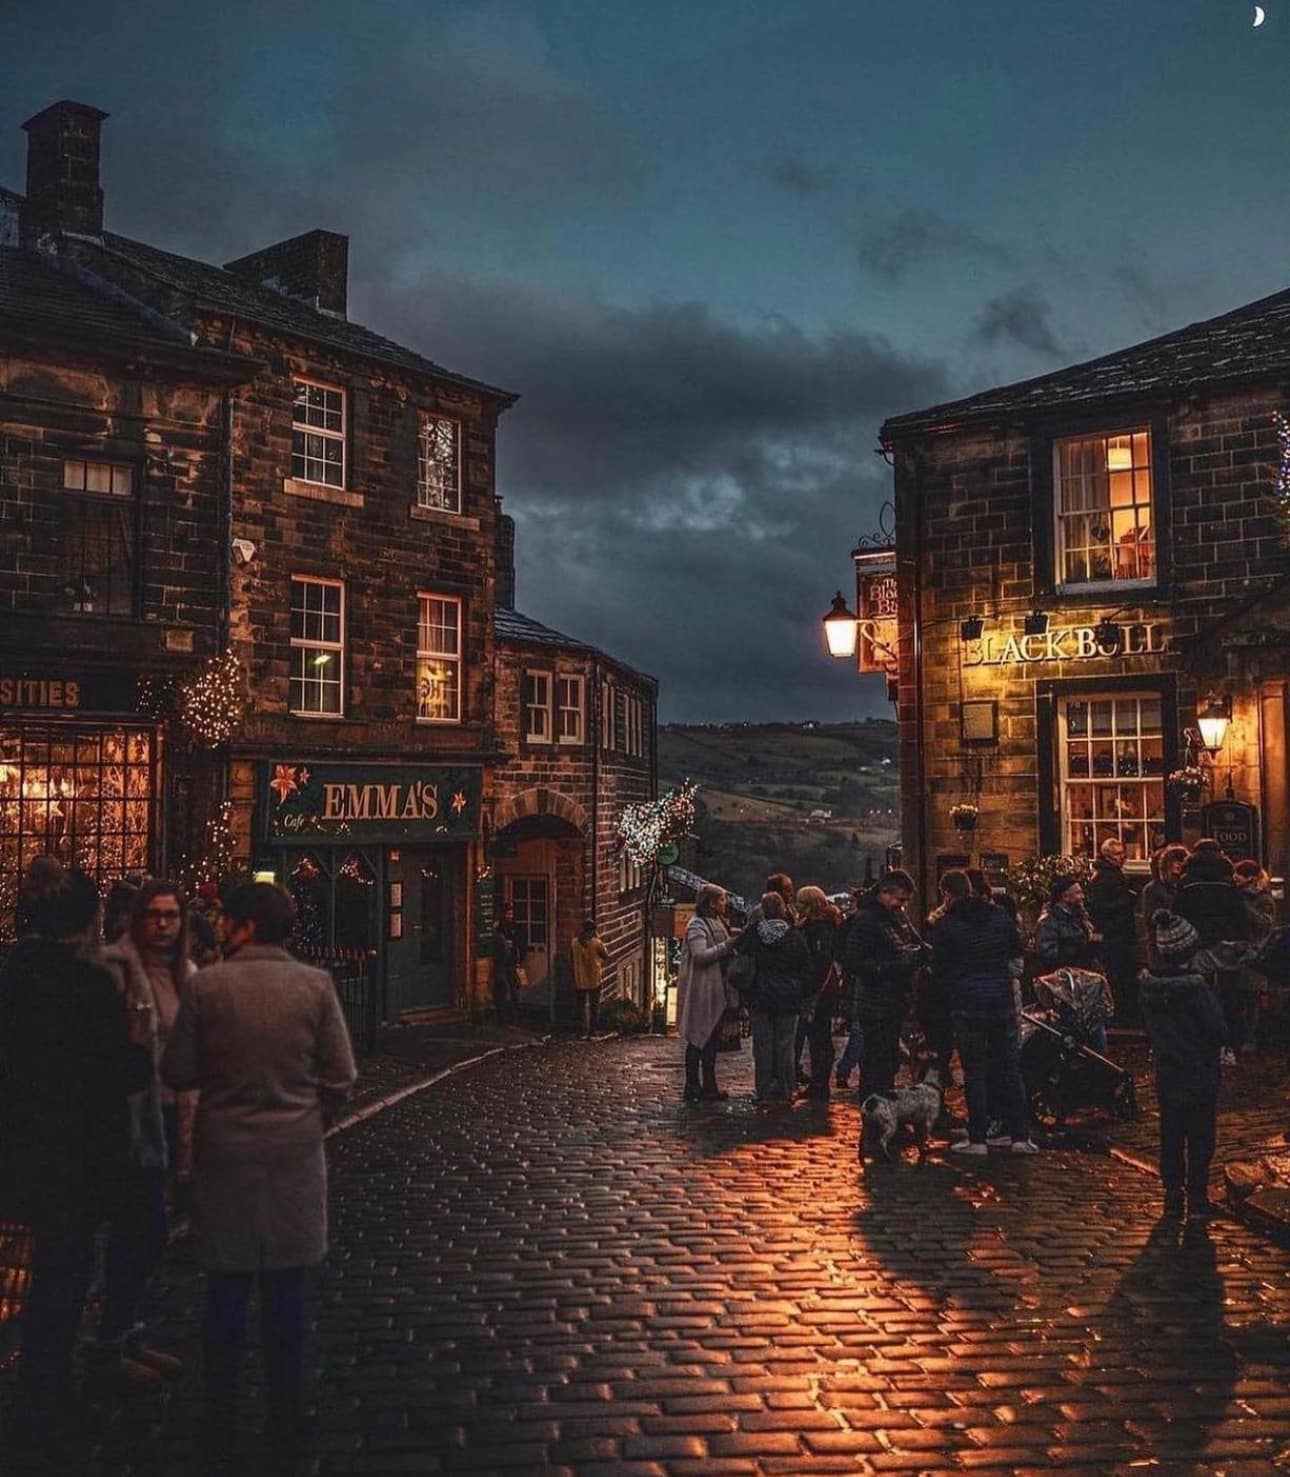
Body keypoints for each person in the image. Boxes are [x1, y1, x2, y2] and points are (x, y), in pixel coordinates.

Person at [162, 882, 357, 1458]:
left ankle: (220, 1408)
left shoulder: (206, 986)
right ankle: (287, 1407)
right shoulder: (315, 986)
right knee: (286, 1288)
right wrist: (308, 1119)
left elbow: (177, 1071)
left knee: (225, 1283)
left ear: (243, 925)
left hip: (225, 1151)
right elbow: (341, 1077)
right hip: (293, 1152)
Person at [0, 858, 149, 1460]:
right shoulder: (89, 986)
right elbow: (114, 1080)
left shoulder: (7, 978)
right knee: (60, 1283)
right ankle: (44, 1400)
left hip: (13, 1150)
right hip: (71, 1160)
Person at [97, 880, 198, 1389]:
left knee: (147, 1233)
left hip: (169, 1114)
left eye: (172, 916)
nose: (163, 925)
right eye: (155, 915)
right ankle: (109, 1343)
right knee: (141, 1231)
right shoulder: (115, 968)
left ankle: (127, 1333)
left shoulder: (187, 977)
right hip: (128, 1119)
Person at [930, 870, 1037, 1155]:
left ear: (947, 893)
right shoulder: (1000, 917)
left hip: (968, 1003)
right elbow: (1017, 952)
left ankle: (978, 1138)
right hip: (1001, 1000)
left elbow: (938, 968)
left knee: (975, 1070)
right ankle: (1019, 1136)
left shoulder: (947, 924)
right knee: (1009, 1068)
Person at [1139, 911, 1226, 1220]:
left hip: (1168, 1068)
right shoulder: (1196, 989)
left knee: (1171, 1131)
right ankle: (1198, 1195)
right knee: (1201, 1135)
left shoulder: (1151, 989)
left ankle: (1172, 1190)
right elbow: (1216, 1028)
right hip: (1199, 1069)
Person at [843, 870, 923, 1100]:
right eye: (900, 899)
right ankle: (874, 1115)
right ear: (884, 893)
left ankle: (887, 1113)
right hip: (875, 1002)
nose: (902, 905)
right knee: (875, 1062)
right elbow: (854, 961)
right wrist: (893, 964)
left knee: (888, 1061)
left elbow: (914, 943)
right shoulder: (866, 920)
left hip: (893, 999)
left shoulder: (896, 917)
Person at [1175, 839, 1251, 1067]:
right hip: (1226, 944)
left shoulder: (1186, 883)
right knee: (1230, 997)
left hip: (1198, 945)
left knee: (1200, 995)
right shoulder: (1229, 882)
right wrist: (1241, 940)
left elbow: (1179, 914)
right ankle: (1229, 1046)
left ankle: (1202, 1044)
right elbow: (1239, 915)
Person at [735, 892, 811, 1103]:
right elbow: (805, 967)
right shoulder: (794, 936)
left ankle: (763, 1092)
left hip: (759, 997)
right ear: (783, 910)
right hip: (787, 997)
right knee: (786, 1046)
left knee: (762, 1047)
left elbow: (741, 957)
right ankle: (787, 1091)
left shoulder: (753, 934)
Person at [677, 884, 739, 1103]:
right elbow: (701, 955)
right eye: (721, 900)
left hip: (716, 988)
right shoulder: (696, 925)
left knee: (711, 1041)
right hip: (702, 989)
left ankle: (709, 1085)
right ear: (711, 902)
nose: (725, 903)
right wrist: (728, 946)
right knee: (698, 1038)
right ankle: (692, 1085)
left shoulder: (717, 922)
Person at [795, 886, 842, 1101]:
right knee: (818, 1037)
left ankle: (820, 1084)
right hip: (824, 987)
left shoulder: (820, 928)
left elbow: (820, 961)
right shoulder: (822, 926)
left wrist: (809, 989)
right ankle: (818, 1082)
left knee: (819, 1037)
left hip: (820, 990)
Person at [1086, 838, 1140, 1020]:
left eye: (1122, 853)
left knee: (1123, 974)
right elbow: (1097, 907)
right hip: (1114, 935)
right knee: (1118, 976)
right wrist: (1125, 901)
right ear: (1108, 856)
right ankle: (1120, 1014)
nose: (1122, 857)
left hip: (1120, 934)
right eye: (1117, 854)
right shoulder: (1103, 877)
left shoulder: (1113, 874)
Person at [1232, 860, 1275, 1055]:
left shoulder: (1263, 899)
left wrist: (1245, 907)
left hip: (1255, 954)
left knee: (1252, 999)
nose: (1235, 877)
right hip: (1238, 952)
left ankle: (1251, 1038)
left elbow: (1265, 924)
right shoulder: (1235, 895)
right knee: (1240, 998)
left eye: (1239, 874)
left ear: (1249, 877)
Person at [1034, 876, 1098, 970]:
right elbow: (1048, 954)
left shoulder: (1080, 917)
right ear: (1065, 896)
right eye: (1078, 893)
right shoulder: (1048, 922)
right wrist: (1078, 951)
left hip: (1082, 975)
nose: (1082, 896)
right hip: (1064, 978)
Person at [1141, 844, 1188, 948]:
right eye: (1177, 861)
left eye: (1182, 862)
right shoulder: (1152, 889)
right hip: (1162, 946)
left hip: (1185, 944)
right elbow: (1151, 920)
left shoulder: (1185, 887)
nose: (1180, 865)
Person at [570, 918, 609, 1039]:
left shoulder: (574, 943)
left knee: (580, 1007)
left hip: (579, 978)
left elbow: (571, 958)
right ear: (593, 931)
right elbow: (605, 955)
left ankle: (580, 1032)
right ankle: (592, 1032)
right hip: (594, 978)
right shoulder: (596, 943)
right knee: (594, 1007)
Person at [491, 905, 521, 1026]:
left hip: (512, 962)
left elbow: (520, 942)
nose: (509, 916)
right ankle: (502, 1018)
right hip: (501, 964)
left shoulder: (515, 927)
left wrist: (518, 957)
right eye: (507, 913)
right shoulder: (498, 928)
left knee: (514, 991)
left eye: (511, 914)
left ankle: (514, 1017)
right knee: (502, 990)